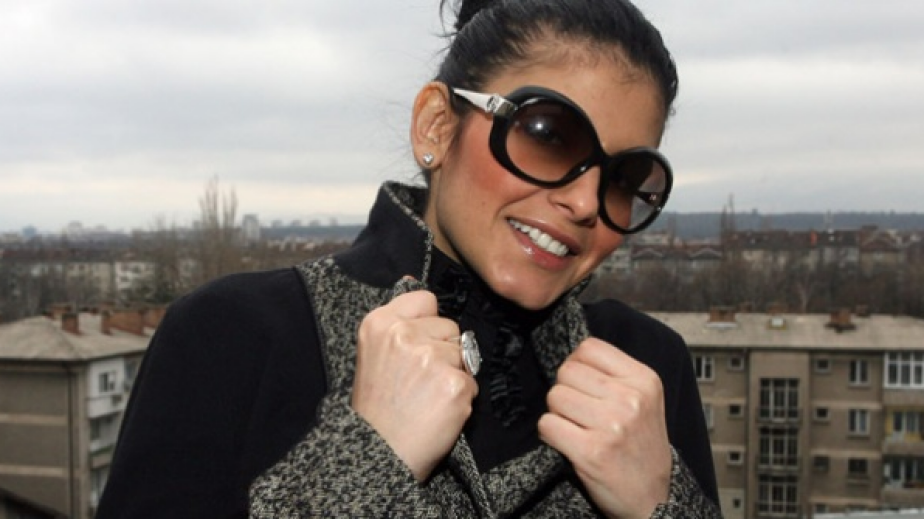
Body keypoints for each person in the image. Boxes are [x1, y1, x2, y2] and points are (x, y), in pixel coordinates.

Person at [97, 0, 721, 517]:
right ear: (436, 127)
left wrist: (661, 503)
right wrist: (369, 459)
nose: (586, 203)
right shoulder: (234, 336)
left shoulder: (648, 368)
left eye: (625, 179)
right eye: (549, 136)